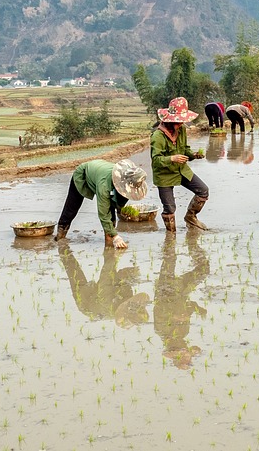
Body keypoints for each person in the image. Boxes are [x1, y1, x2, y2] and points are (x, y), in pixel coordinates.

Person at [53, 159, 148, 249]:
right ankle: (60, 237)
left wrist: (121, 210)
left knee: (111, 209)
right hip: (84, 174)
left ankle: (109, 244)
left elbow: (122, 197)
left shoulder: (127, 178)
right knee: (72, 208)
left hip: (100, 172)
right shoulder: (104, 186)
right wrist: (116, 236)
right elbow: (103, 213)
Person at [151, 97, 210, 232]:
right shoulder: (158, 136)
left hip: (181, 170)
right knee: (170, 208)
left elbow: (184, 148)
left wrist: (193, 155)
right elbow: (156, 160)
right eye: (178, 120)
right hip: (164, 175)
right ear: (170, 119)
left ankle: (191, 217)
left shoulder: (181, 129)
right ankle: (171, 238)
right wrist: (172, 158)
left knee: (203, 190)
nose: (181, 123)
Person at [154, 235, 209, 370]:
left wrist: (175, 316)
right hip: (181, 292)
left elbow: (160, 308)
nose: (186, 353)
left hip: (166, 290)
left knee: (170, 259)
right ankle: (192, 243)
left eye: (185, 358)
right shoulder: (183, 333)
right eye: (187, 358)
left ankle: (171, 239)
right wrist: (196, 309)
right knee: (204, 270)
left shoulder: (162, 330)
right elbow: (186, 309)